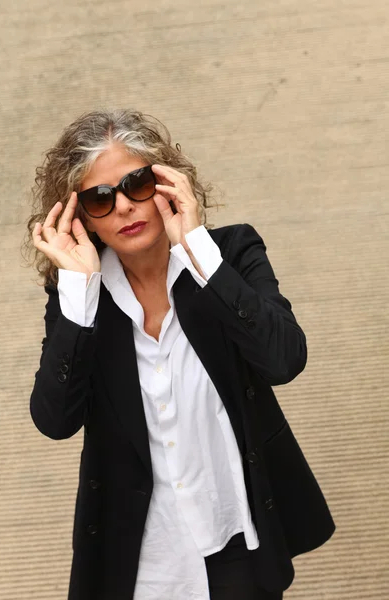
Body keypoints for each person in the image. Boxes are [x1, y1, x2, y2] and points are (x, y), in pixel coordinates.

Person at [26, 108, 335, 600]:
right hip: (144, 557)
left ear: (168, 181)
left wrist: (197, 249)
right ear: (79, 217)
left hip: (234, 536)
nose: (124, 205)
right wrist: (77, 296)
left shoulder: (228, 254)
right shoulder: (79, 299)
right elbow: (55, 419)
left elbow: (284, 359)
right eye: (100, 199)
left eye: (137, 183)